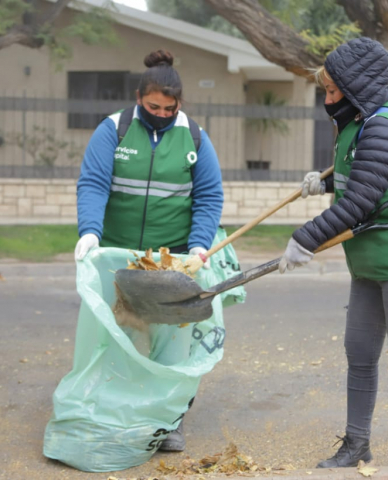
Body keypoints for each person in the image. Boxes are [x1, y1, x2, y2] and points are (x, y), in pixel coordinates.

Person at [279, 37, 388, 467]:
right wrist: (323, 182)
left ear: (356, 88)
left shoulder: (384, 127)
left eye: (333, 91)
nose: (327, 99)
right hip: (371, 265)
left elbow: (358, 203)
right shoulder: (357, 123)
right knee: (359, 354)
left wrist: (305, 238)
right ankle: (357, 445)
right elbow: (365, 180)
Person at [73, 49, 224, 452]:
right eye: (152, 105)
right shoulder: (114, 130)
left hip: (169, 257)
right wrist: (89, 232)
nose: (160, 112)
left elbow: (209, 195)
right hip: (118, 254)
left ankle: (168, 421)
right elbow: (93, 183)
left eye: (168, 107)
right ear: (139, 98)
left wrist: (198, 243)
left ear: (179, 104)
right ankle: (109, 412)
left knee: (171, 341)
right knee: (117, 333)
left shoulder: (193, 136)